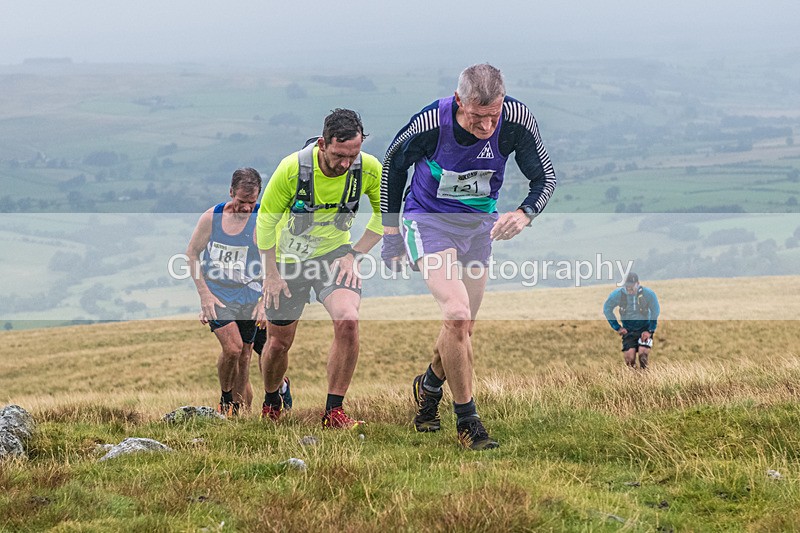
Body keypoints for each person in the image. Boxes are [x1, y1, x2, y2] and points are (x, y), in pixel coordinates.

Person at [380, 64, 557, 450]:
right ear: (460, 102)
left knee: (463, 329)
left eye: (494, 115)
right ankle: (468, 422)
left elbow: (545, 177)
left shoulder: (515, 119)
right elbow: (393, 166)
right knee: (457, 314)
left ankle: (427, 386)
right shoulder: (430, 122)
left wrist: (525, 213)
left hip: (479, 228)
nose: (487, 126)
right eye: (478, 117)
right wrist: (391, 232)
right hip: (428, 222)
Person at [256, 109, 383, 428]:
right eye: (339, 155)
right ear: (323, 144)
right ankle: (273, 396)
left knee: (348, 320)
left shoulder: (367, 169)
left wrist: (354, 254)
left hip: (335, 256)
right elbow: (266, 221)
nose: (345, 164)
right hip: (288, 262)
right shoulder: (292, 169)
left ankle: (334, 411)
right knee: (279, 343)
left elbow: (387, 216)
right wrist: (270, 274)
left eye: (353, 155)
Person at [187, 168, 287, 416]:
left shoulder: (264, 218)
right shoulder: (212, 217)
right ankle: (226, 399)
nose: (245, 208)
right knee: (232, 348)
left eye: (251, 202)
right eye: (241, 202)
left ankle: (241, 412)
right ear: (231, 192)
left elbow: (277, 262)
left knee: (244, 356)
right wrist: (204, 295)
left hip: (250, 295)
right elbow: (191, 254)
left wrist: (264, 302)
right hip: (218, 294)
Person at [603, 272, 661, 369]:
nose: (629, 290)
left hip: (645, 330)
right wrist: (617, 327)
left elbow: (655, 311)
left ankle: (646, 379)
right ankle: (633, 381)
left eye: (631, 287)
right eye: (627, 287)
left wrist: (650, 330)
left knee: (643, 356)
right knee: (630, 360)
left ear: (638, 283)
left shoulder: (648, 294)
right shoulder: (618, 295)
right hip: (628, 331)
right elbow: (607, 309)